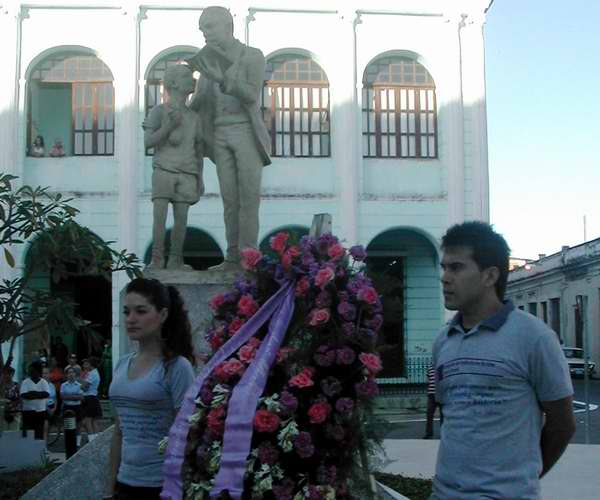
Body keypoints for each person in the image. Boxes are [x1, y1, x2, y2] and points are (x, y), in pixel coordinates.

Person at [431, 221, 576, 499]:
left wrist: (518, 481)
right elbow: (451, 415)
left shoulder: (534, 337)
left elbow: (562, 425)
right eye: (444, 267)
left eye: (457, 267)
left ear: (490, 276)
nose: (445, 277)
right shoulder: (444, 341)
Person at [188, 6, 271, 271]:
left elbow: (250, 94)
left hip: (245, 130)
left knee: (248, 198)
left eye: (209, 27)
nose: (205, 34)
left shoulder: (252, 56)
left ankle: (249, 258)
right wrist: (177, 110)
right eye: (202, 29)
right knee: (229, 199)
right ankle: (232, 256)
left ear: (226, 25)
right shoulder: (207, 61)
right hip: (220, 133)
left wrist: (222, 78)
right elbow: (200, 101)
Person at [106, 278, 195, 499]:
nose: (131, 319)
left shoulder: (176, 367)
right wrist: (109, 487)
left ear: (162, 315)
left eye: (141, 311)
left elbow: (187, 435)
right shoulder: (121, 365)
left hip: (161, 486)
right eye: (127, 312)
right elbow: (119, 432)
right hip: (124, 484)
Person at [143, 64, 204, 271]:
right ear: (174, 83)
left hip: (187, 172)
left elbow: (198, 150)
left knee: (181, 221)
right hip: (163, 170)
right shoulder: (159, 111)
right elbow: (148, 142)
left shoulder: (195, 117)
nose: (193, 81)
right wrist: (169, 126)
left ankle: (176, 258)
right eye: (188, 77)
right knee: (159, 219)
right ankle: (157, 259)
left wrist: (200, 179)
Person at [20, 361, 50, 440]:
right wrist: (39, 394)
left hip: (40, 411)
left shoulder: (44, 382)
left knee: (39, 432)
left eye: (32, 370)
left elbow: (46, 394)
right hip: (28, 412)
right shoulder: (25, 382)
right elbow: (24, 395)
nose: (30, 372)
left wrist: (32, 393)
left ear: (37, 371)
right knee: (28, 433)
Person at [81, 357, 103, 442]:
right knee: (93, 421)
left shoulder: (92, 374)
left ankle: (92, 441)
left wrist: (79, 382)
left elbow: (84, 388)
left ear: (91, 364)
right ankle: (96, 440)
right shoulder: (92, 373)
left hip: (89, 398)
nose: (84, 365)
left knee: (88, 420)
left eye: (86, 363)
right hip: (92, 398)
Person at [60, 366, 84, 446]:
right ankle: (68, 442)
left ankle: (77, 443)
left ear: (75, 374)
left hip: (77, 407)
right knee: (67, 426)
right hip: (67, 407)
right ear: (66, 375)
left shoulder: (79, 385)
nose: (71, 374)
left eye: (72, 372)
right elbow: (63, 397)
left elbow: (80, 397)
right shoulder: (63, 385)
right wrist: (74, 396)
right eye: (69, 373)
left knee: (78, 426)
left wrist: (69, 396)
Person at [423, 363, 442, 439]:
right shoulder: (430, 367)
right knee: (429, 414)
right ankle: (429, 433)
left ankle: (443, 434)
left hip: (440, 394)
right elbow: (428, 380)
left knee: (443, 416)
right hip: (431, 395)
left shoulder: (442, 366)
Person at [2, 365, 21, 431]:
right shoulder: (1, 387)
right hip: (3, 414)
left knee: (14, 433)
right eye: (5, 374)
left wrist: (12, 404)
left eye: (9, 374)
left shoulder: (16, 386)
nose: (6, 376)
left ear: (12, 374)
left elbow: (20, 399)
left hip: (15, 413)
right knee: (3, 434)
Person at [42, 366, 58, 441]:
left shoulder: (52, 385)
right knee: (44, 428)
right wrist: (48, 409)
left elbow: (55, 398)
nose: (45, 375)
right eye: (43, 373)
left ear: (49, 374)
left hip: (51, 408)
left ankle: (45, 446)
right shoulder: (40, 385)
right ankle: (43, 448)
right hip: (43, 409)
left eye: (46, 373)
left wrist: (54, 408)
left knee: (48, 429)